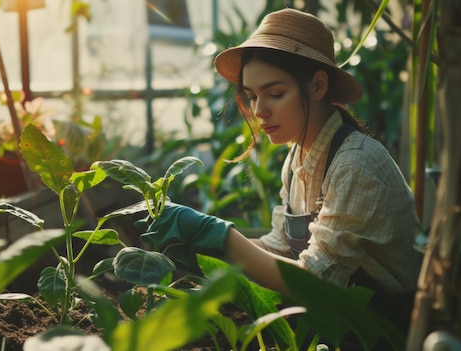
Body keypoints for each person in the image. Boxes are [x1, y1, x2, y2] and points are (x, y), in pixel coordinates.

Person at [142, 7, 422, 349]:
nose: (259, 111)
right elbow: (280, 249)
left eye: (274, 94)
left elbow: (314, 281)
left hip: (387, 335)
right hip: (338, 327)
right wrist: (207, 259)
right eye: (253, 95)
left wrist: (218, 234)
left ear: (318, 85)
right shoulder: (297, 158)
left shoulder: (355, 164)